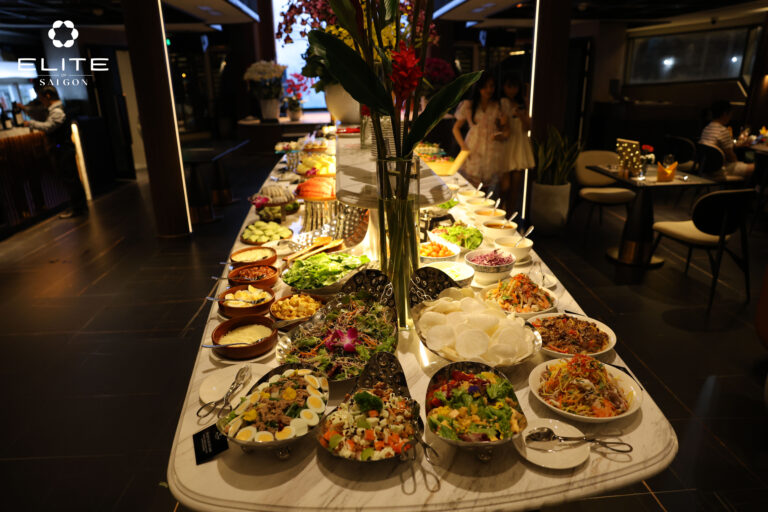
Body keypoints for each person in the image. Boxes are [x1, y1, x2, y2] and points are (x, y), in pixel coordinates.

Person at [19, 86, 87, 218]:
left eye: (42, 99)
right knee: (71, 179)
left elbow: (49, 127)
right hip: (64, 148)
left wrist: (31, 124)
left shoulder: (57, 111)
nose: (42, 102)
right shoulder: (57, 109)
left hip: (63, 149)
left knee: (70, 179)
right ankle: (79, 207)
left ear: (48, 96)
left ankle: (78, 209)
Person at [452, 71, 509, 189]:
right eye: (485, 86)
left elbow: (505, 132)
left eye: (491, 86)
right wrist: (463, 146)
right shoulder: (469, 105)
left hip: (491, 148)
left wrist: (501, 131)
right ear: (479, 88)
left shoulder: (497, 106)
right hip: (473, 147)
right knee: (469, 184)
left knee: (485, 185)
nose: (489, 90)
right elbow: (456, 128)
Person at [499, 74, 535, 213]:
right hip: (506, 145)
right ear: (504, 87)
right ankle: (500, 211)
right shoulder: (501, 102)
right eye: (509, 86)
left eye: (515, 87)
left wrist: (521, 113)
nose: (512, 90)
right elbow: (500, 125)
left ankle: (509, 215)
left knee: (515, 187)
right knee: (504, 186)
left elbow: (528, 127)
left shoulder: (522, 103)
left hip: (519, 145)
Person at [699, 99, 754, 179]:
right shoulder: (723, 131)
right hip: (720, 169)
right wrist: (738, 163)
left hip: (706, 167)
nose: (731, 117)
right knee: (756, 167)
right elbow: (731, 158)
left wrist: (737, 146)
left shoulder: (707, 128)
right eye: (730, 114)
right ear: (725, 113)